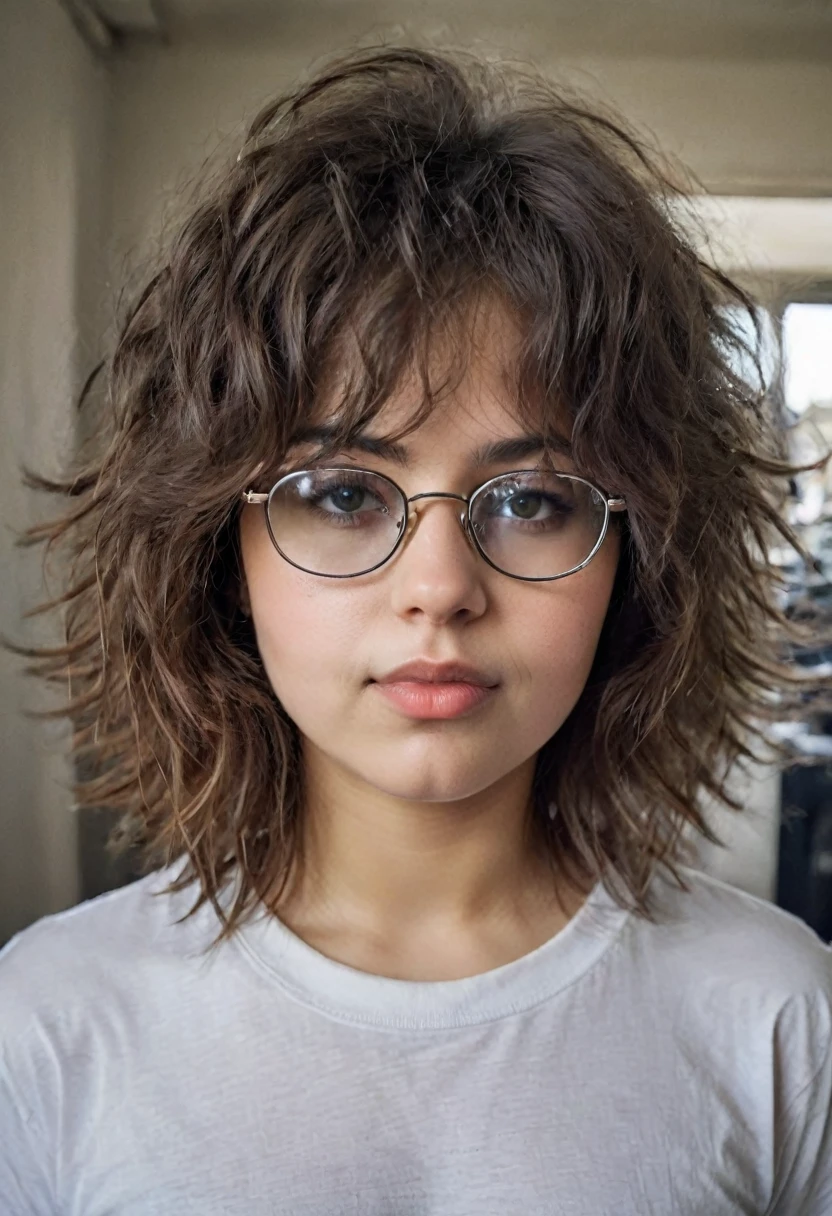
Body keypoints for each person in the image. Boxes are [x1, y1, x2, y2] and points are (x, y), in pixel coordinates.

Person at [1, 44, 830, 1216]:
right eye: (343, 493)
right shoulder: (46, 1025)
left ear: (639, 559)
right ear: (218, 556)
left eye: (535, 499)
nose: (438, 587)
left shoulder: (779, 1019)